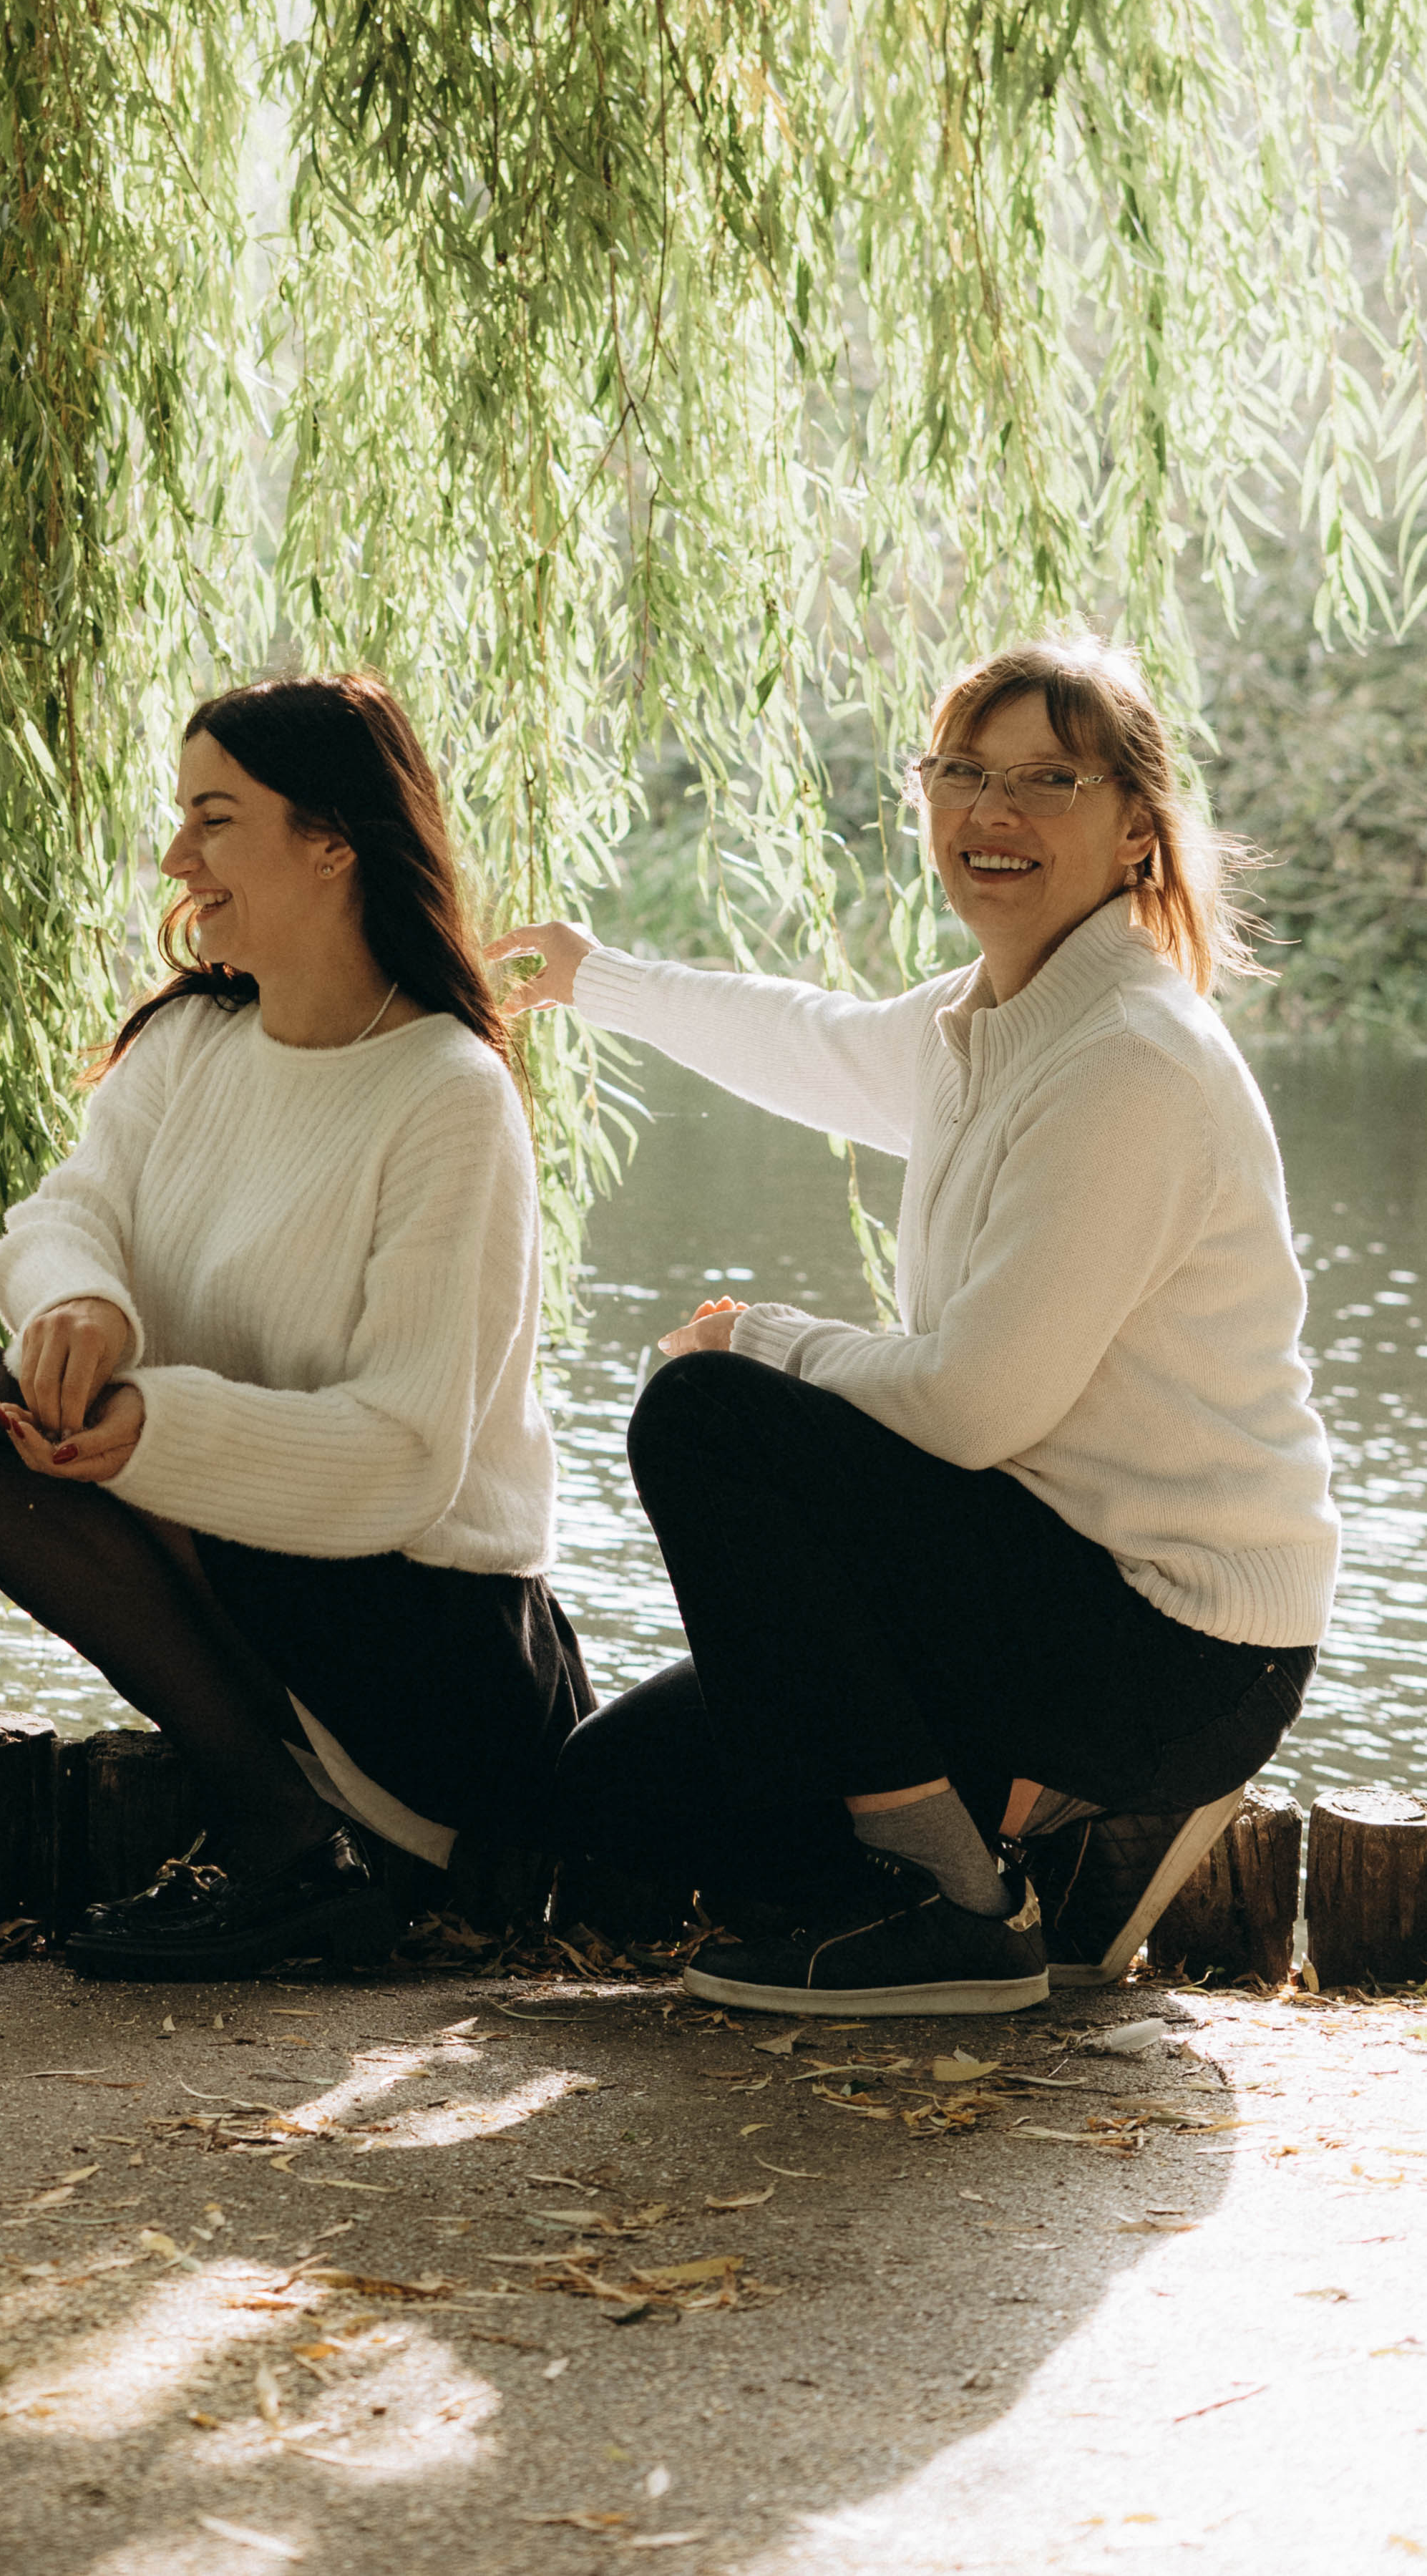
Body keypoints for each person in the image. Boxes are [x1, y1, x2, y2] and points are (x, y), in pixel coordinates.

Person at [0, 671, 590, 1987]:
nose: (178, 857)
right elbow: (58, 1217)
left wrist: (152, 1429)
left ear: (334, 843)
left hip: (426, 1650)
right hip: (257, 1577)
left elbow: (403, 1457)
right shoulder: (195, 1040)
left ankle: (290, 1839)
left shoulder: (448, 1094)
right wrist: (84, 1303)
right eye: (182, 819)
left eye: (216, 820)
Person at [502, 636, 1335, 2017]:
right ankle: (1056, 1835)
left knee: (707, 1416)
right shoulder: (984, 1022)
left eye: (1048, 780)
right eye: (960, 771)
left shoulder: (1128, 1057)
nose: (990, 810)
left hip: (1179, 1642)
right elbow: (806, 1039)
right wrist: (597, 978)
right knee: (610, 1797)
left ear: (1138, 829)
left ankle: (945, 1903)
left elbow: (967, 1405)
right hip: (1039, 1581)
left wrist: (757, 1338)